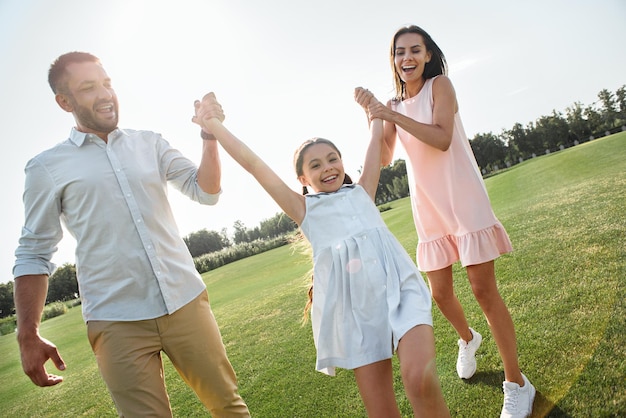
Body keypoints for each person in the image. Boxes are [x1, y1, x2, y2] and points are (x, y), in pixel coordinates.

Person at [12, 52, 250, 417]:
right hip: (115, 319)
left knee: (228, 407)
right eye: (89, 87)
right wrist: (27, 333)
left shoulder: (149, 142)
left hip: (184, 300)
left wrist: (208, 135)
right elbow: (34, 252)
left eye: (107, 83)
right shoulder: (46, 167)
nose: (105, 94)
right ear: (64, 102)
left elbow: (206, 191)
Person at [191, 89, 450, 417]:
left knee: (420, 382)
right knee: (382, 411)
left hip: (400, 290)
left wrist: (372, 113)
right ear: (302, 177)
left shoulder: (362, 192)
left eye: (333, 159)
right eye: (315, 165)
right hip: (355, 312)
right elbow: (253, 163)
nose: (328, 168)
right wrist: (213, 125)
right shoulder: (303, 209)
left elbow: (374, 146)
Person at [365, 25, 536, 418]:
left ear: (427, 55)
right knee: (439, 294)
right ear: (393, 59)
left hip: (463, 197)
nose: (406, 57)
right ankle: (468, 338)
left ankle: (518, 385)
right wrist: (374, 116)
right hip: (428, 207)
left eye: (414, 50)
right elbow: (387, 155)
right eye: (399, 51)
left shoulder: (440, 85)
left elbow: (442, 138)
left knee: (482, 291)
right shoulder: (393, 103)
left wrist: (390, 113)